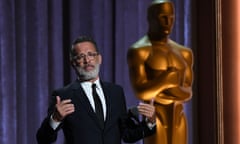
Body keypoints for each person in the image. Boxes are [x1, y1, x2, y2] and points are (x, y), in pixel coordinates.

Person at [36, 36, 156, 144]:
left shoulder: (116, 92)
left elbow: (127, 135)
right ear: (73, 63)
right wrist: (55, 119)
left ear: (99, 59)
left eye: (91, 54)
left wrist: (150, 122)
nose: (87, 60)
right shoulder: (63, 95)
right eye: (81, 56)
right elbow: (43, 139)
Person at [127, 0, 194, 144]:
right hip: (155, 116)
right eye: (163, 17)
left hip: (178, 116)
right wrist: (166, 80)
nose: (167, 22)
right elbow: (142, 92)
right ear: (151, 18)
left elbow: (188, 92)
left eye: (171, 18)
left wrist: (163, 88)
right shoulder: (140, 51)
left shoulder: (184, 53)